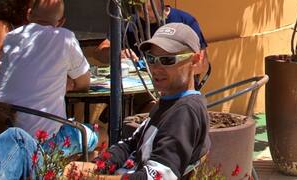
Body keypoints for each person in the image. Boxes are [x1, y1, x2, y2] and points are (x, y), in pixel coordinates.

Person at [57, 24, 210, 180]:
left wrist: (95, 178)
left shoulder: (184, 112)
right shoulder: (169, 101)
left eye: (167, 60)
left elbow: (158, 177)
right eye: (151, 59)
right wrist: (97, 166)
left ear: (195, 61)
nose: (156, 68)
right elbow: (131, 144)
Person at [0, 0, 96, 154]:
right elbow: (84, 83)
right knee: (96, 133)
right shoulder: (65, 38)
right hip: (41, 141)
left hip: (1, 133)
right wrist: (66, 83)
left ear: (29, 14)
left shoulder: (12, 37)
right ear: (61, 22)